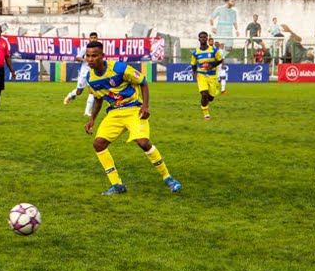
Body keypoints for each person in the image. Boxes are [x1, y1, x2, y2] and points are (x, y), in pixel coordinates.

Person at [81, 41, 181, 195]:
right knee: (98, 144)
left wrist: (145, 105)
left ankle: (168, 178)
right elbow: (98, 98)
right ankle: (117, 185)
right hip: (114, 112)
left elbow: (142, 82)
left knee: (143, 142)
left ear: (103, 56)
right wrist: (92, 118)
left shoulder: (119, 68)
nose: (90, 59)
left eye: (94, 56)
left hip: (133, 108)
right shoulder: (91, 77)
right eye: (87, 56)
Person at [63, 32, 99, 116]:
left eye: (95, 37)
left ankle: (87, 111)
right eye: (92, 38)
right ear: (89, 39)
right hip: (84, 72)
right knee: (79, 92)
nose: (93, 39)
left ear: (97, 38)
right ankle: (69, 95)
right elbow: (78, 57)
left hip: (93, 72)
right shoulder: (85, 48)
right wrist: (85, 60)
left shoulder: (98, 49)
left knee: (92, 91)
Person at [191, 31, 223, 120]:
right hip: (201, 75)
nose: (203, 39)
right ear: (199, 39)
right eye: (201, 37)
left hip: (212, 76)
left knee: (211, 98)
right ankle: (206, 114)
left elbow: (220, 60)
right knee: (204, 94)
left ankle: (206, 101)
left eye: (204, 37)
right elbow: (193, 63)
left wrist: (212, 65)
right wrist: (194, 71)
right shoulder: (195, 53)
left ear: (207, 39)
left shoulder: (214, 50)